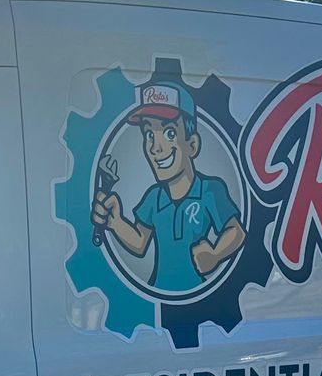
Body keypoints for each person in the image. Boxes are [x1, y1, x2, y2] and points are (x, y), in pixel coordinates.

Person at [93, 79, 244, 296]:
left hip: (199, 296)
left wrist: (215, 254)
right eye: (149, 134)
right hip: (158, 291)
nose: (155, 147)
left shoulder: (210, 190)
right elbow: (140, 242)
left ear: (192, 145)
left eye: (169, 133)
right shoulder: (154, 197)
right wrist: (115, 222)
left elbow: (236, 232)